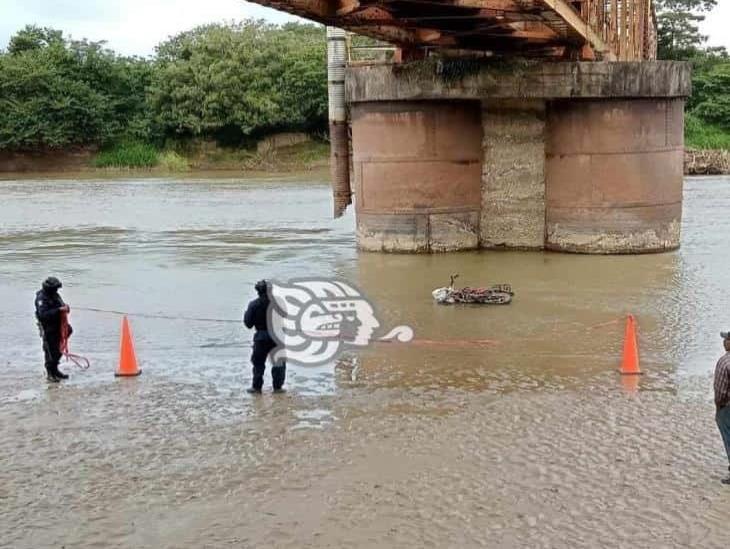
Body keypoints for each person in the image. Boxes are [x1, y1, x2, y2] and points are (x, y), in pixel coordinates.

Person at [243, 279, 286, 394]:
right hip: (277, 336)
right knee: (278, 363)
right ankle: (278, 388)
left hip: (261, 337)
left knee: (258, 363)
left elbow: (248, 324)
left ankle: (256, 388)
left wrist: (247, 313)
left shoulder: (253, 304)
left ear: (258, 291)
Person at [34, 276, 72, 382]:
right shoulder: (41, 298)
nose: (56, 290)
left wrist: (65, 308)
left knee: (59, 348)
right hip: (48, 328)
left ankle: (55, 369)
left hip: (59, 326)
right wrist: (58, 310)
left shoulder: (55, 295)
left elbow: (62, 305)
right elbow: (43, 315)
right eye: (55, 288)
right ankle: (50, 373)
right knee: (50, 350)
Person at [715, 331, 730, 484]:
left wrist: (719, 407)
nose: (724, 342)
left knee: (729, 438)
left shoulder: (724, 362)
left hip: (727, 407)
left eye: (726, 339)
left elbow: (720, 390)